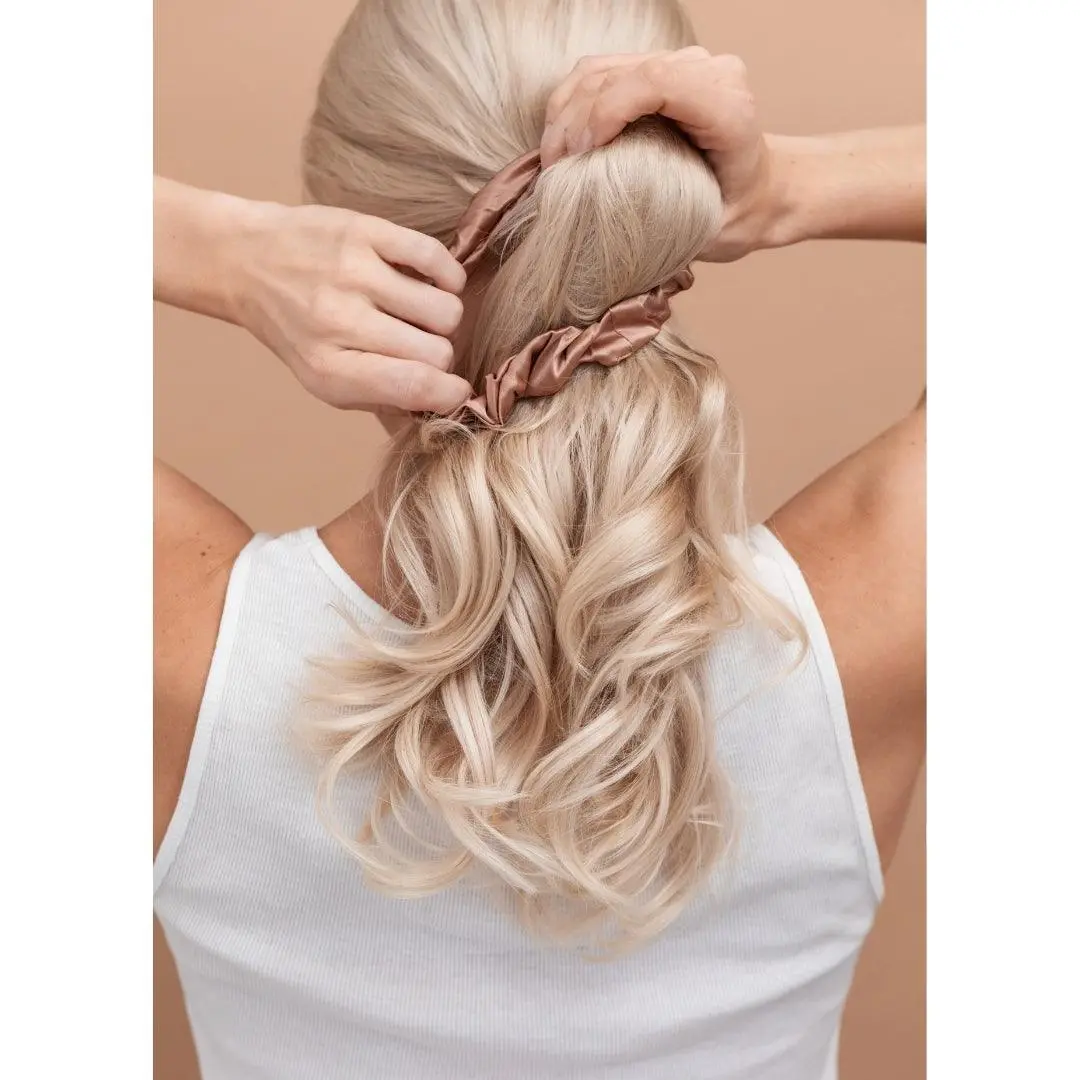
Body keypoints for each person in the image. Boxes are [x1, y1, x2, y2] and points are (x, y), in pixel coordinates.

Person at [154, 2, 925, 1079]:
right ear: (665, 206)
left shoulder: (176, 641)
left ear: (342, 225)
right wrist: (791, 187)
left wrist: (218, 252)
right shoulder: (871, 619)